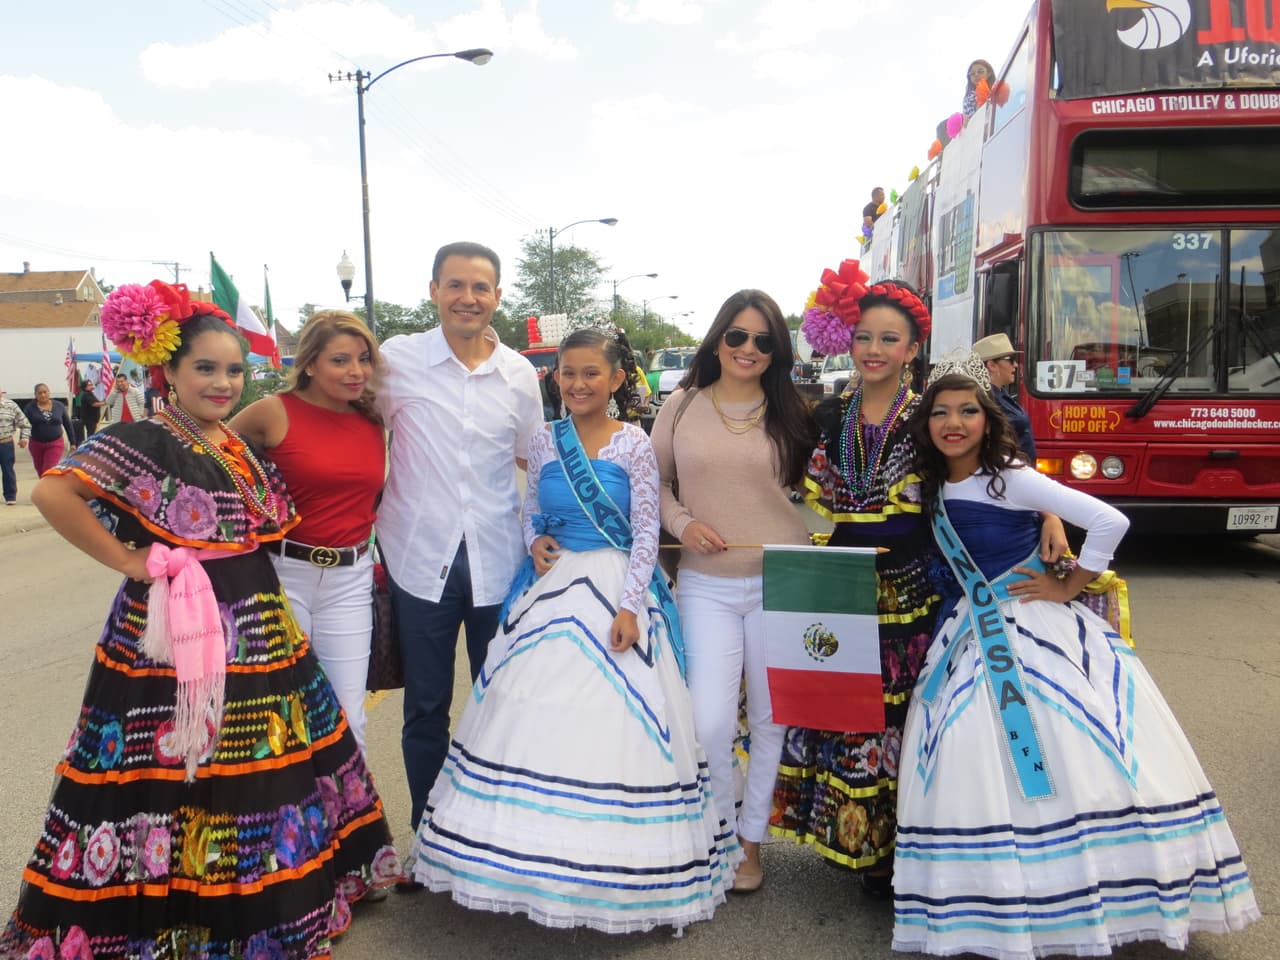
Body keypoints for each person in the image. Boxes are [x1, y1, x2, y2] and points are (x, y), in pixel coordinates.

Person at [0, 279, 400, 960]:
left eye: (234, 370)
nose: (223, 383)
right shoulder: (145, 436)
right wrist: (128, 560)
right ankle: (188, 910)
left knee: (258, 760)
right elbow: (52, 491)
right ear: (169, 373)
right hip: (176, 626)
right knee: (182, 762)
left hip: (257, 614)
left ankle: (267, 895)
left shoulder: (228, 440)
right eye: (205, 369)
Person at [893, 367, 1260, 958]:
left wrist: (1073, 584)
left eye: (967, 411)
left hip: (1030, 625)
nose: (953, 423)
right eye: (940, 413)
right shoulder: (933, 485)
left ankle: (1093, 890)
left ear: (989, 421)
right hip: (968, 629)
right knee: (973, 760)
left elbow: (1112, 519)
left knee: (1073, 755)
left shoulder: (1008, 478)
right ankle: (1000, 896)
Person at [414, 327, 738, 931]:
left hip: (615, 587)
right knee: (532, 714)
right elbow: (530, 509)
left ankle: (616, 872)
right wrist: (533, 538)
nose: (577, 383)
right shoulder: (543, 439)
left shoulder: (633, 443)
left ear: (616, 380)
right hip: (553, 584)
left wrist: (630, 607)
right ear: (555, 376)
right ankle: (524, 862)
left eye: (591, 373)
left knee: (615, 721)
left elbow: (645, 531)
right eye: (567, 372)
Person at [775, 262, 1066, 895]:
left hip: (915, 587)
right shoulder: (827, 416)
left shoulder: (932, 415)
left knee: (906, 718)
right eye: (864, 338)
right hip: (841, 583)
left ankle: (915, 845)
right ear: (846, 341)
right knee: (845, 712)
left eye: (889, 339)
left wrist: (1052, 517)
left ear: (912, 348)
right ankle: (859, 842)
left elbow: (1005, 466)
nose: (874, 350)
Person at [374, 241, 543, 853]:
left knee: (500, 699)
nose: (467, 298)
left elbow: (535, 461)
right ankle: (430, 833)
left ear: (497, 295)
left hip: (501, 559)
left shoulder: (519, 373)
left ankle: (495, 837)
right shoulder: (397, 361)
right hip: (422, 560)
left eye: (480, 287)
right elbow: (360, 431)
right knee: (425, 707)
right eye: (455, 285)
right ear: (434, 291)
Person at [651, 289, 816, 893]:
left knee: (773, 719)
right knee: (712, 722)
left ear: (777, 351)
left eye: (764, 340)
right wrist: (683, 524)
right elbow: (655, 485)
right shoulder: (682, 403)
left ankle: (749, 843)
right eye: (738, 336)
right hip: (705, 584)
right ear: (718, 338)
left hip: (785, 579)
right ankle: (718, 827)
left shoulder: (795, 411)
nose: (749, 348)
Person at [230, 310, 386, 755]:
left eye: (363, 359)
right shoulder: (272, 413)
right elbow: (211, 460)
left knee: (347, 715)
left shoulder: (373, 420)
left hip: (350, 580)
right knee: (280, 712)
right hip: (280, 576)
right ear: (310, 363)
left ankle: (349, 821)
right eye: (340, 360)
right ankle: (290, 819)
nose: (356, 371)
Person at [973, 331, 1035, 458]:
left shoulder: (1000, 393)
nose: (1016, 365)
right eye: (1011, 360)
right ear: (992, 365)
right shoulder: (986, 398)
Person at [23, 383, 74, 476]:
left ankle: (49, 489)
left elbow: (68, 424)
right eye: (40, 393)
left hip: (55, 443)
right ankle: (46, 488)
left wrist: (73, 442)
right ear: (35, 395)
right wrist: (23, 438)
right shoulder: (30, 408)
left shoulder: (59, 406)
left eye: (45, 392)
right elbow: (24, 425)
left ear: (49, 392)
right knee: (40, 470)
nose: (43, 395)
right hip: (36, 444)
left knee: (49, 470)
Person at [0, 387, 31, 505]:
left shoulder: (10, 405)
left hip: (5, 443)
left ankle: (10, 496)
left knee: (8, 471)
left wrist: (23, 439)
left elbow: (25, 424)